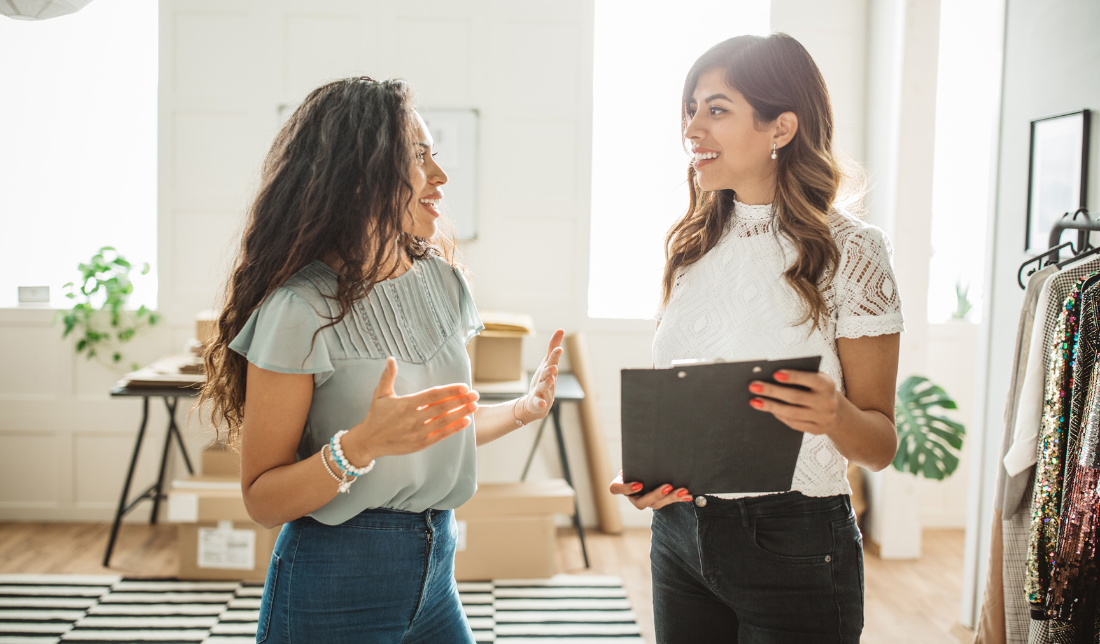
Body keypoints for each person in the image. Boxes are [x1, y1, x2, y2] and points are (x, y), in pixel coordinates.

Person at [198, 77, 564, 644]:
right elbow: (262, 499)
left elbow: (434, 432)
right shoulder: (298, 309)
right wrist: (358, 448)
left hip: (436, 568)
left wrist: (520, 409)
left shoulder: (443, 284)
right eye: (419, 159)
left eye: (434, 156)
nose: (439, 177)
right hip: (334, 579)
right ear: (360, 174)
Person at [609, 34, 904, 643]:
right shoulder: (689, 247)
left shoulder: (854, 251)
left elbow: (878, 446)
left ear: (782, 127)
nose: (693, 127)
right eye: (690, 108)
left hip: (796, 547)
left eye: (716, 109)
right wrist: (655, 479)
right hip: (679, 539)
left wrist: (834, 413)